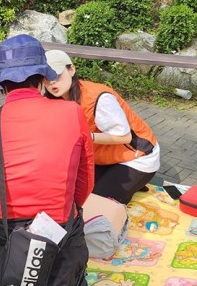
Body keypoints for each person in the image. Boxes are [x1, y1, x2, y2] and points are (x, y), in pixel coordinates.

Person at [0, 35, 94, 286]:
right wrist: (68, 209)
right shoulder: (72, 112)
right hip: (58, 227)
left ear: (3, 83)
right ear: (43, 77)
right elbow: (85, 180)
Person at [44, 49, 160, 204]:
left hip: (138, 158)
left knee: (94, 205)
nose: (51, 82)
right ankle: (124, 185)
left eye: (57, 75)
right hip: (103, 158)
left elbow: (125, 137)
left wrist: (85, 135)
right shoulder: (51, 99)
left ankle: (133, 183)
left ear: (71, 70)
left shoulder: (98, 98)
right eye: (46, 77)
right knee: (67, 190)